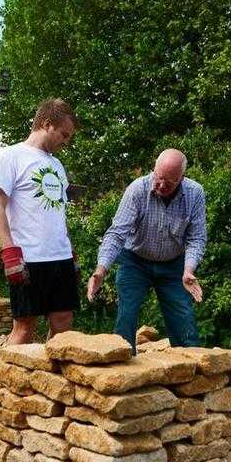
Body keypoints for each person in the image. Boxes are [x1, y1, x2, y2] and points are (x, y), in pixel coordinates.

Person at [87, 149, 206, 352]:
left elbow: (196, 237)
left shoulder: (194, 193)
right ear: (154, 169)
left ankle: (191, 370)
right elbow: (117, 234)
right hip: (134, 261)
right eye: (158, 178)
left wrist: (189, 270)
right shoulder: (137, 190)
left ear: (181, 178)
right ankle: (121, 369)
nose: (160, 185)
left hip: (174, 264)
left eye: (169, 183)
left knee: (184, 321)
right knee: (127, 316)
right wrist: (101, 270)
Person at [0, 98, 80, 345]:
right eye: (64, 134)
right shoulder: (11, 156)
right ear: (47, 124)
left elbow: (57, 211)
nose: (66, 141)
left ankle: (56, 381)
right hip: (28, 258)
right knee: (24, 329)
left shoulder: (57, 165)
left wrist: (68, 248)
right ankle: (10, 382)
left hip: (59, 258)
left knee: (63, 325)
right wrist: (9, 252)